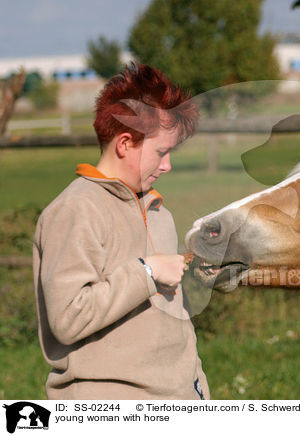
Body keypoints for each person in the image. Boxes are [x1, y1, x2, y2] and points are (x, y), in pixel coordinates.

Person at [33, 64, 210, 400]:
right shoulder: (76, 210)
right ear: (125, 143)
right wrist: (146, 272)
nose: (167, 165)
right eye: (161, 152)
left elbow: (175, 321)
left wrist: (197, 389)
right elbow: (68, 317)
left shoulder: (160, 212)